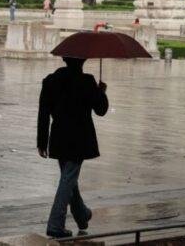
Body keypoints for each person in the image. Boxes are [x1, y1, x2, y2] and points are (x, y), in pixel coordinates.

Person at [37, 57, 109, 238]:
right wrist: (101, 92)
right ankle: (55, 224)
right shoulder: (87, 81)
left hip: (59, 137)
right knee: (68, 179)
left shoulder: (51, 81)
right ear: (82, 61)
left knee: (69, 178)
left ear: (64, 59)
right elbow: (101, 110)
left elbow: (43, 112)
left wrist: (41, 141)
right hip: (79, 138)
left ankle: (81, 214)